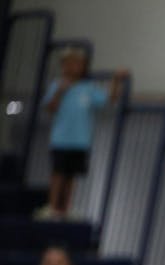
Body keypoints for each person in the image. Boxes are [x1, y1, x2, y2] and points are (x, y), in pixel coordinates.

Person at [37, 46, 129, 220]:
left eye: (77, 64)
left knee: (72, 174)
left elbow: (109, 99)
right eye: (69, 64)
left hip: (80, 140)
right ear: (63, 66)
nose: (73, 67)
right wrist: (60, 91)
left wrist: (115, 80)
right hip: (61, 139)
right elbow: (49, 107)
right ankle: (51, 205)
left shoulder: (88, 88)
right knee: (58, 172)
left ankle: (65, 207)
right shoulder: (57, 85)